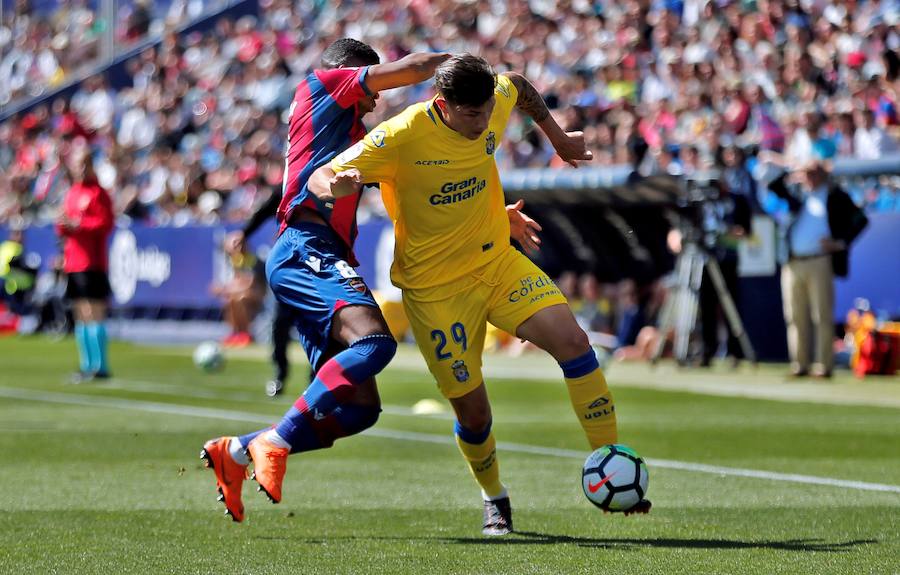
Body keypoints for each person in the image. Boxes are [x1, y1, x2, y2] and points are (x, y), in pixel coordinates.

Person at [311, 54, 651, 535]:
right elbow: (318, 176)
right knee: (475, 413)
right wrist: (335, 186)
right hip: (435, 292)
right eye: (471, 114)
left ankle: (612, 458)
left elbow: (519, 84)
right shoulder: (401, 135)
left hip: (496, 263)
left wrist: (557, 138)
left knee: (575, 343)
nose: (482, 121)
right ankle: (495, 498)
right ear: (443, 104)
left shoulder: (495, 98)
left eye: (487, 109)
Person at [198, 39, 454, 524]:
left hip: (318, 252)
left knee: (359, 410)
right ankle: (275, 440)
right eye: (370, 84)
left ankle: (235, 453)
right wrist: (464, 66)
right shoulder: (323, 83)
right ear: (349, 72)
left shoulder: (346, 131)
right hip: (306, 247)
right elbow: (415, 68)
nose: (375, 98)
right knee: (376, 343)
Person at [769, 159, 868, 377]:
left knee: (821, 315)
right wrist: (792, 170)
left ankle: (824, 365)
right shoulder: (797, 193)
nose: (810, 178)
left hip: (819, 260)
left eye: (814, 173)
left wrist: (840, 243)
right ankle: (799, 364)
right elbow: (773, 185)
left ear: (823, 175)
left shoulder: (833, 195)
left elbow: (861, 220)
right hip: (793, 261)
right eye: (807, 173)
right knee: (794, 315)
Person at [224, 194, 297, 396]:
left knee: (318, 325)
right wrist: (245, 233)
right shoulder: (291, 178)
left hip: (318, 259)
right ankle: (280, 373)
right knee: (279, 322)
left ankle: (317, 380)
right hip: (289, 261)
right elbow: (266, 208)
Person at [56, 151, 115, 382]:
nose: (80, 170)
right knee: (80, 313)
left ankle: (101, 366)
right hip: (74, 262)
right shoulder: (72, 193)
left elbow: (105, 223)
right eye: (77, 165)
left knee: (94, 311)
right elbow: (64, 228)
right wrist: (63, 225)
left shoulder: (98, 193)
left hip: (92, 261)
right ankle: (86, 364)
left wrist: (78, 224)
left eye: (84, 165)